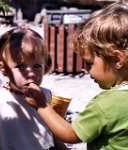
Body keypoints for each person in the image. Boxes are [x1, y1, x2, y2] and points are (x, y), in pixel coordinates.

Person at [24, 2, 128, 150]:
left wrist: (42, 106)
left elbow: (71, 135)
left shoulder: (106, 104)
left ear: (117, 59)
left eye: (89, 63)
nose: (85, 70)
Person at [0, 27, 68, 150]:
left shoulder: (46, 95)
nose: (31, 73)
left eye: (36, 65)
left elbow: (52, 131)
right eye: (21, 66)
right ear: (3, 69)